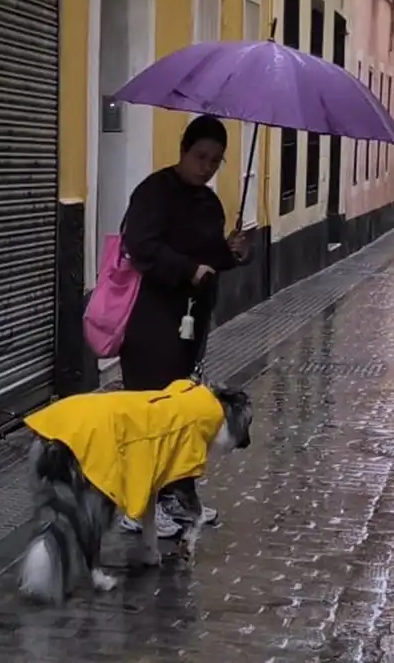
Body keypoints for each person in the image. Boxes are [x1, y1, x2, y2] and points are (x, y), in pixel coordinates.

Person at [117, 114, 250, 536]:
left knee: (181, 411)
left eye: (215, 160)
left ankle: (178, 497)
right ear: (183, 151)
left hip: (190, 323)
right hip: (150, 319)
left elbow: (211, 256)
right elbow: (140, 245)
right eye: (200, 157)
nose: (206, 167)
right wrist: (186, 269)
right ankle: (138, 505)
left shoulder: (208, 202)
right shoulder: (154, 192)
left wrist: (232, 252)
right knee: (151, 411)